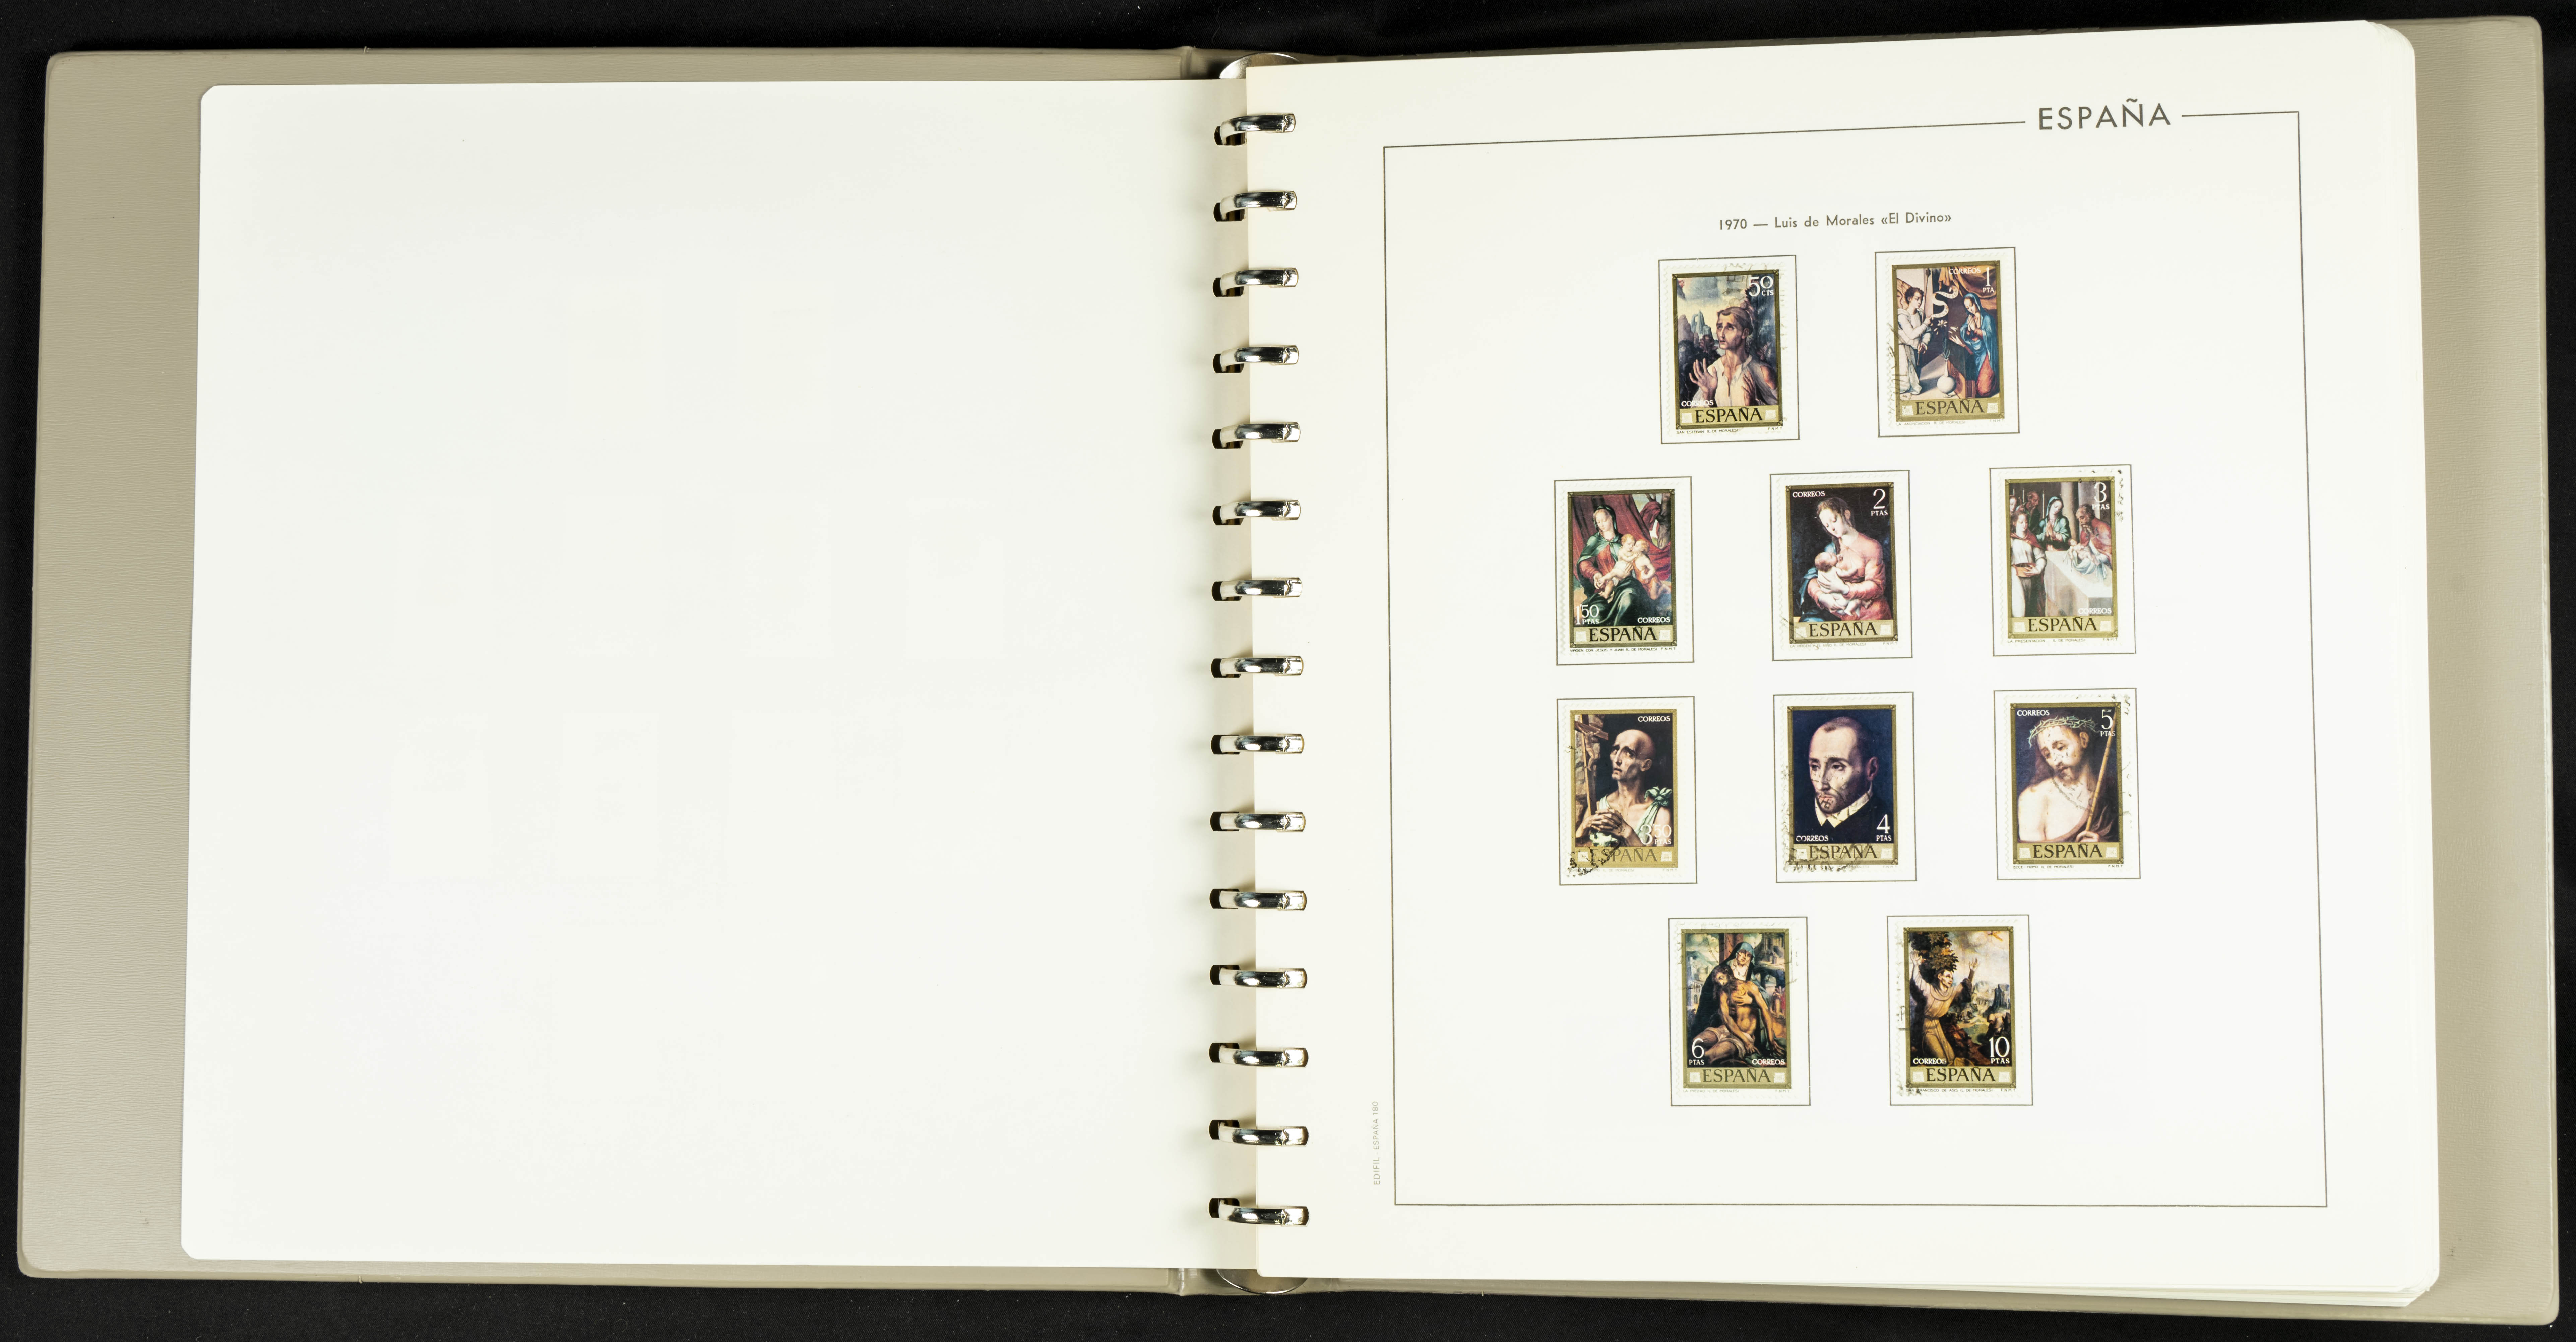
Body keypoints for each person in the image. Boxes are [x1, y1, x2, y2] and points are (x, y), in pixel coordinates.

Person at [1688, 940, 1784, 1066]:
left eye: (1748, 955)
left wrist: (1751, 1002)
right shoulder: (1723, 989)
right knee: (1695, 1043)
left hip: (1742, 1036)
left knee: (1709, 1057)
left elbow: (1765, 1008)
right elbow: (1725, 1016)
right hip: (1723, 1029)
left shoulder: (1750, 985)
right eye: (1742, 953)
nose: (1721, 983)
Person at [2016, 715, 2108, 844]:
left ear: (2084, 740)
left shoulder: (2107, 792)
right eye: (2047, 755)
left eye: (2061, 748)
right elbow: (2031, 855)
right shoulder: (2033, 798)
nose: (2055, 762)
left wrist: (2103, 846)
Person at [1799, 714, 1888, 845]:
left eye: (1837, 767)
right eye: (1815, 767)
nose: (1821, 785)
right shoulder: (1794, 817)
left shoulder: (1888, 820)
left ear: (1871, 770)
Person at [1801, 496, 1891, 623]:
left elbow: (1877, 586)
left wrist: (1845, 589)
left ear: (1847, 514)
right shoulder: (1831, 549)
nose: (1832, 528)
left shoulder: (1871, 546)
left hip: (1868, 611)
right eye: (1827, 525)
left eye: (1834, 521)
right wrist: (1822, 597)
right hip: (1838, 610)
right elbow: (1813, 577)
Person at [1580, 727, 1674, 849]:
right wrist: (1584, 827)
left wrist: (1628, 834)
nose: (1617, 760)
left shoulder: (1661, 816)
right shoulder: (1597, 808)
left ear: (1646, 765)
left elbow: (1664, 860)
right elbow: (1577, 854)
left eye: (1629, 754)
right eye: (1616, 750)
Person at [1685, 301, 1779, 408]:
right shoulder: (1712, 372)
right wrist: (1709, 397)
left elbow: (1781, 411)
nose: (1722, 334)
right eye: (1720, 327)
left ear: (1745, 333)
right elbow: (1695, 413)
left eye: (1730, 328)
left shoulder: (1763, 373)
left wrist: (1754, 406)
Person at [1906, 932, 1978, 1066]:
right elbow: (1917, 980)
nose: (1951, 980)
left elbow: (1965, 989)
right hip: (1926, 1029)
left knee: (1952, 1057)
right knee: (1943, 1060)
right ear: (1940, 977)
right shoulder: (1929, 989)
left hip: (1938, 1027)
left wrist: (1972, 972)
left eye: (1952, 978)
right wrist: (1916, 966)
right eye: (1948, 976)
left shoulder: (1952, 992)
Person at [2007, 509, 2045, 619]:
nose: (2025, 525)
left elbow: (2041, 557)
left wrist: (2038, 569)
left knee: (2031, 608)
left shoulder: (2032, 539)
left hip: (2032, 577)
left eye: (2026, 522)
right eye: (2021, 522)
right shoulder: (2010, 540)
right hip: (2016, 577)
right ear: (2015, 523)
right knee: (2020, 607)